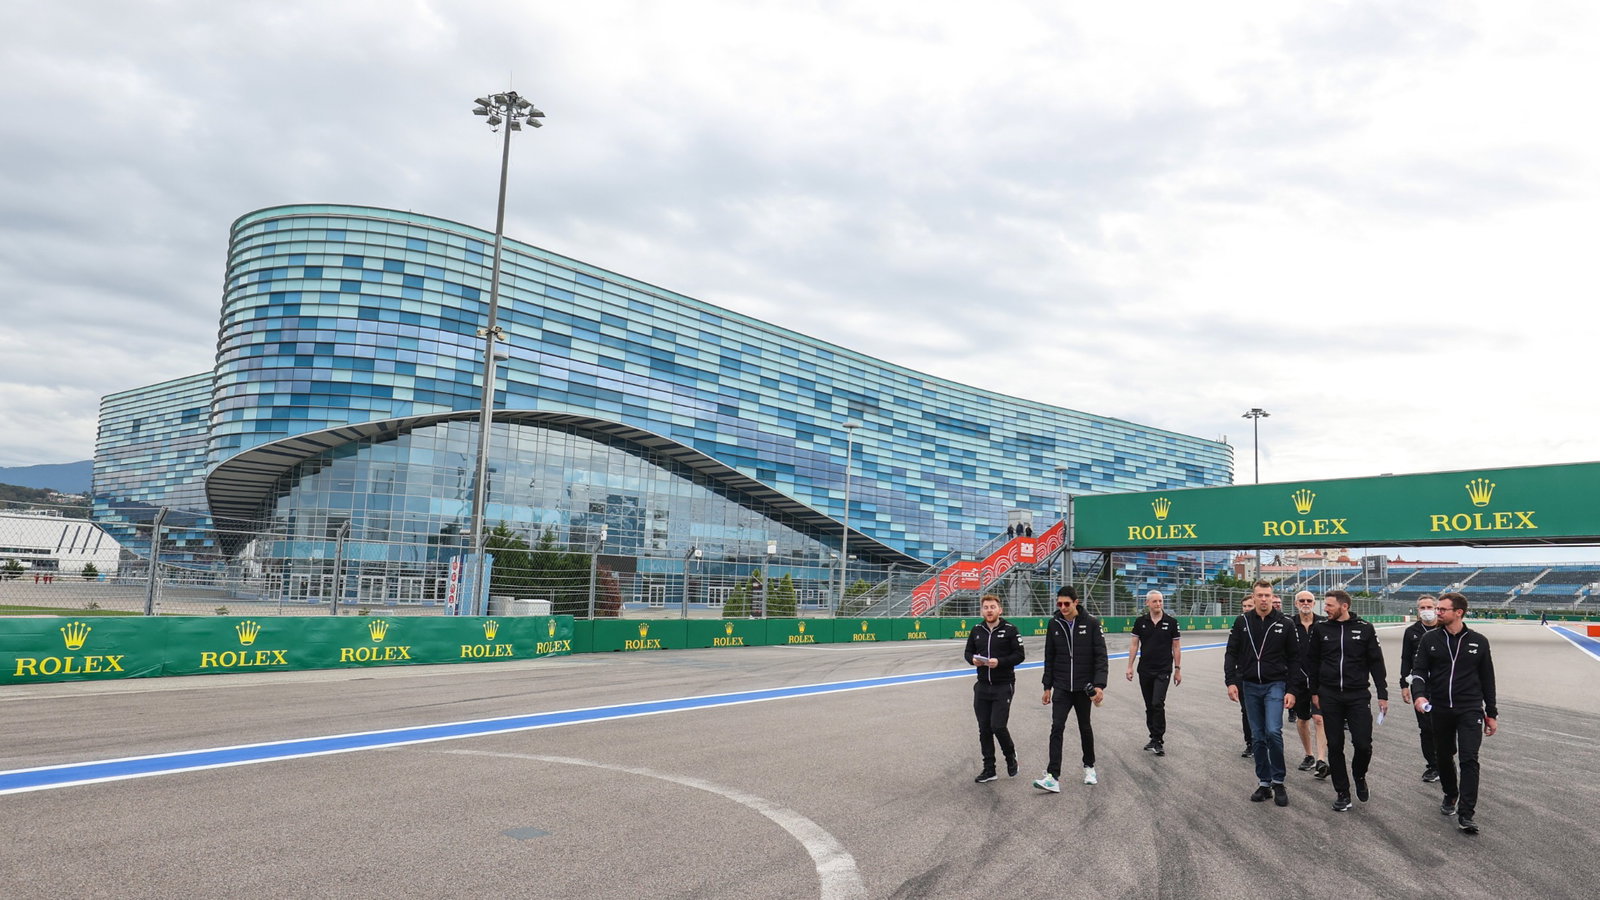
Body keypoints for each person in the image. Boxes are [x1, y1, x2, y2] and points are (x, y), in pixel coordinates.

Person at [1411, 593, 1498, 835]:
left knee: (1469, 759)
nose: (1437, 613)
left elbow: (1487, 679)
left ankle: (1466, 814)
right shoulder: (1429, 639)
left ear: (1458, 612)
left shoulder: (1479, 641)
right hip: (1439, 708)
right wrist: (1419, 695)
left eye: (1442, 610)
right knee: (1444, 756)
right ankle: (1450, 794)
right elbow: (1418, 672)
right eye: (1436, 609)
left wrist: (1492, 713)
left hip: (1470, 709)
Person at [1306, 590, 1388, 812]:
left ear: (1344, 606)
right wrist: (1314, 692)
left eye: (1330, 605)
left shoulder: (1365, 628)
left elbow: (1376, 663)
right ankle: (1342, 792)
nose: (1325, 609)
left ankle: (1359, 775)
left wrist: (1383, 694)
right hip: (1329, 695)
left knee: (1363, 744)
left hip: (1358, 694)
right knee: (1335, 745)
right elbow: (1312, 662)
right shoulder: (1320, 629)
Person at [1224, 580, 1299, 807]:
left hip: (1275, 684)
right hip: (1249, 685)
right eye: (1260, 595)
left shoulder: (1285, 623)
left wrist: (1292, 690)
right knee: (1257, 736)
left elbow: (1295, 659)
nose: (1264, 599)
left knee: (1273, 731)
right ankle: (1264, 783)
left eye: (1267, 595)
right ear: (1253, 597)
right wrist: (1230, 681)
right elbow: (1231, 653)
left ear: (1272, 596)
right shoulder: (1242, 622)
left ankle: (1279, 781)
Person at [1033, 586, 1108, 792]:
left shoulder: (1092, 623)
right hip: (1062, 686)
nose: (1063, 607)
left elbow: (1101, 656)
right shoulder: (1053, 623)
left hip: (1084, 687)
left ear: (1076, 602)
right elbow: (1050, 657)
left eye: (1067, 603)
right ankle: (1052, 776)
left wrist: (1099, 685)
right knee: (1056, 727)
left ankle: (1089, 767)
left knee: (1085, 727)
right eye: (1059, 604)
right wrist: (1046, 686)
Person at [964, 594, 1025, 783]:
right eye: (986, 607)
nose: (989, 610)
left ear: (1000, 610)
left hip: (1003, 685)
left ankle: (1010, 756)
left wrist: (999, 662)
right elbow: (967, 652)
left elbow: (1019, 655)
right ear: (982, 610)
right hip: (982, 686)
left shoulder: (1010, 630)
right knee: (984, 729)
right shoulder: (976, 630)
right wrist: (972, 660)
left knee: (997, 726)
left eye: (992, 607)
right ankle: (989, 769)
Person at [1127, 589, 1182, 755]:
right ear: (1147, 603)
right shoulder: (1140, 621)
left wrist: (1177, 669)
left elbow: (1176, 647)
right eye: (1155, 601)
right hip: (1144, 670)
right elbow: (1134, 645)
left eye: (1160, 601)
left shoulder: (1171, 622)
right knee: (1149, 705)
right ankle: (1153, 736)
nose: (1158, 604)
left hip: (1163, 669)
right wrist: (1129, 666)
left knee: (1157, 703)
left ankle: (1159, 739)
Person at [1399, 595, 1441, 783]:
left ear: (1436, 608)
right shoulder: (1411, 632)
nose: (1426, 610)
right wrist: (1403, 684)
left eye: (1429, 606)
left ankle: (1446, 761)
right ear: (1417, 610)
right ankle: (1433, 765)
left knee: (1444, 727)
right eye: (1422, 607)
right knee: (1426, 728)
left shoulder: (1445, 627)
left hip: (1444, 684)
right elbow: (1406, 659)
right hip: (1420, 685)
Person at [1290, 590, 1330, 779]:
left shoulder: (1324, 623)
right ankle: (1309, 755)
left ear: (1314, 603)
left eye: (1309, 600)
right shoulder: (1289, 624)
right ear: (1296, 603)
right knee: (1302, 719)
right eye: (1302, 600)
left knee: (1319, 719)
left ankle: (1322, 759)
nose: (1305, 603)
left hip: (1320, 680)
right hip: (1297, 681)